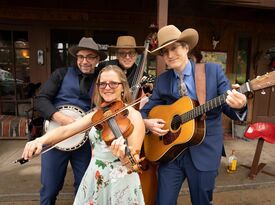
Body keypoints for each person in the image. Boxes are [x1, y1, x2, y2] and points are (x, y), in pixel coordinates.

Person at [140, 25, 248, 205]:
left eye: (174, 48)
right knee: (163, 202)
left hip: (204, 150)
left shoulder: (212, 72)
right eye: (165, 52)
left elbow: (230, 107)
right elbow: (146, 110)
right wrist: (147, 122)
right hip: (171, 151)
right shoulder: (163, 80)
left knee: (201, 202)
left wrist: (240, 105)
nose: (170, 55)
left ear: (186, 48)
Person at [22, 65, 145, 205]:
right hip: (95, 176)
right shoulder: (98, 114)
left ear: (123, 87)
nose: (107, 87)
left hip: (120, 182)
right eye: (102, 83)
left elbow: (132, 164)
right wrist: (40, 140)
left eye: (113, 83)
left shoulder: (134, 117)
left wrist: (123, 156)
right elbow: (66, 130)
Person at [34, 37, 107, 205]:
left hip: (85, 141)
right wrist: (62, 119)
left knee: (84, 185)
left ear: (97, 60)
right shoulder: (61, 74)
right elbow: (41, 99)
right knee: (50, 187)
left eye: (90, 57)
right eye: (81, 57)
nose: (84, 61)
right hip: (56, 137)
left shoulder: (102, 80)